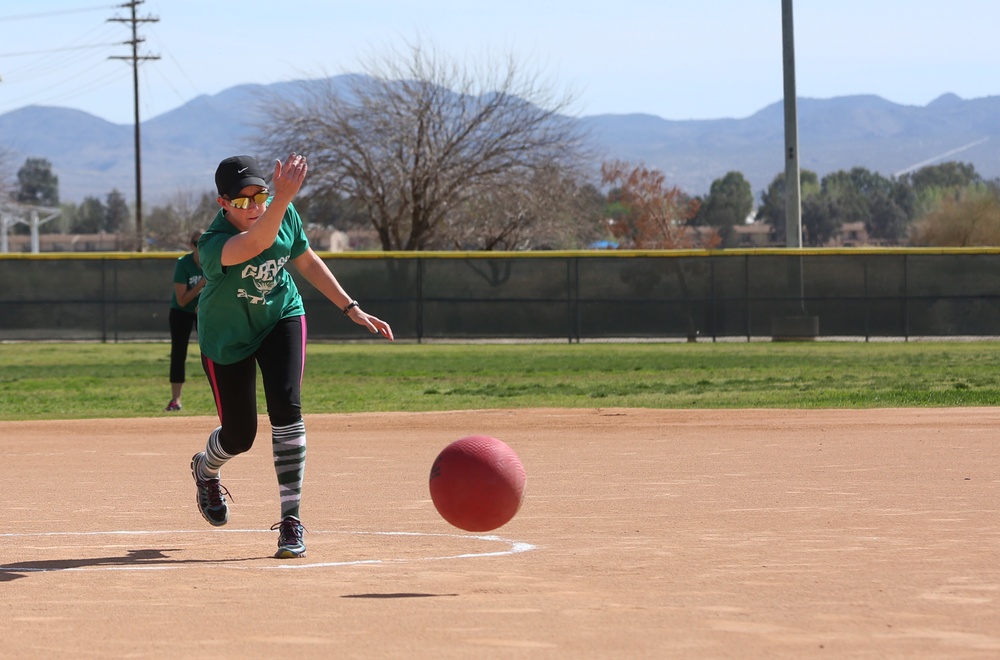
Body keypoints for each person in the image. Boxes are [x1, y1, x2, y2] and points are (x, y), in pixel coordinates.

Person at [190, 153, 394, 559]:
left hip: (281, 315)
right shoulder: (212, 245)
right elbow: (257, 243)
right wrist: (280, 199)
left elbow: (305, 259)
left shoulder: (283, 209)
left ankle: (290, 521)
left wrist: (350, 307)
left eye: (260, 195)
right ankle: (206, 468)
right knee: (240, 435)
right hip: (227, 337)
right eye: (243, 200)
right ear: (223, 203)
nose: (255, 206)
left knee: (286, 407)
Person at [165, 231, 206, 412]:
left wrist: (203, 305)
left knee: (212, 353)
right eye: (198, 243)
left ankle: (221, 396)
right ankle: (176, 400)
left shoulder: (212, 261)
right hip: (181, 311)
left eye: (205, 241)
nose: (201, 246)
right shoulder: (184, 264)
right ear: (191, 245)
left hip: (204, 311)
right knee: (178, 353)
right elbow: (182, 300)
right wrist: (202, 283)